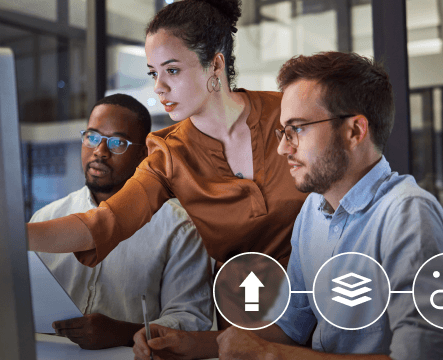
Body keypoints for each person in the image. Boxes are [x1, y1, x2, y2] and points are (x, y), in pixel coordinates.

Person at [28, 0, 306, 305]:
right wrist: (14, 236)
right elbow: (104, 223)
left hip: (330, 300)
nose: (159, 87)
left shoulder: (289, 113)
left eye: (172, 70)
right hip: (249, 317)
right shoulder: (168, 154)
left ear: (215, 64)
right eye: (153, 74)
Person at [207, 52, 443, 359]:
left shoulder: (408, 213)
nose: (282, 148)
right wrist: (197, 343)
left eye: (299, 128)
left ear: (355, 131)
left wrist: (269, 355)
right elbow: (293, 323)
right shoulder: (313, 210)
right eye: (283, 131)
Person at [31, 94, 213, 350]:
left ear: (143, 153)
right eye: (92, 137)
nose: (100, 151)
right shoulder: (47, 218)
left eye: (117, 142)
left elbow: (192, 321)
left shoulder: (179, 229)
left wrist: (123, 333)